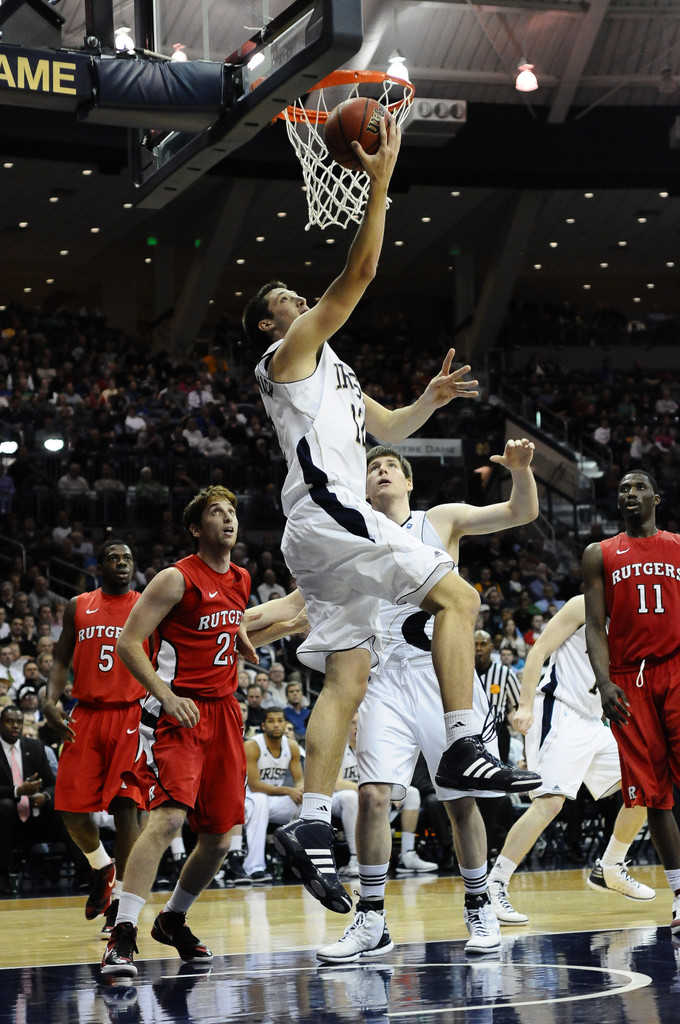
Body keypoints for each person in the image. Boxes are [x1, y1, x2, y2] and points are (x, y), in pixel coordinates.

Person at [242, 121, 539, 913]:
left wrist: (429, 402)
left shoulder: (332, 368)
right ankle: (467, 739)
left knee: (346, 671)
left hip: (317, 531)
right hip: (331, 516)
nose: (298, 302)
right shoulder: (286, 357)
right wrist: (383, 175)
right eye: (285, 303)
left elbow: (390, 428)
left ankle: (307, 822)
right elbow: (362, 270)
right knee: (461, 598)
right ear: (271, 328)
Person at [317, 439, 539, 963]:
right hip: (383, 677)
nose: (382, 471)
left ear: (409, 482)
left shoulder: (439, 520)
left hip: (442, 674)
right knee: (373, 797)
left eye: (391, 465)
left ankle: (480, 904)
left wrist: (523, 471)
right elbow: (307, 603)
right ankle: (371, 920)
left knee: (459, 799)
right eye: (373, 468)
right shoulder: (350, 535)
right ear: (363, 485)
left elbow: (520, 511)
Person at [100, 486, 306, 977]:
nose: (228, 518)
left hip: (224, 712)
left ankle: (172, 919)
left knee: (220, 837)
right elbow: (128, 642)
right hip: (177, 711)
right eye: (217, 512)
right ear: (197, 528)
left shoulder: (239, 579)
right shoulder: (175, 578)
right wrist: (167, 697)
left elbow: (228, 638)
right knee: (168, 820)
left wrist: (286, 627)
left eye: (233, 511)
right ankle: (123, 931)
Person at [487, 595, 654, 926]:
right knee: (549, 804)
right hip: (559, 709)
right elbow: (537, 651)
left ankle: (610, 867)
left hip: (595, 722)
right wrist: (524, 705)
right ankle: (493, 887)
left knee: (646, 784)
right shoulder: (583, 605)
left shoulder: (639, 621)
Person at [582, 469, 680, 938]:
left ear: (656, 498)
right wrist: (604, 683)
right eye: (623, 489)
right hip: (629, 681)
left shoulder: (678, 546)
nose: (631, 493)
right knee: (654, 794)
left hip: (676, 668)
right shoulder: (599, 554)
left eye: (640, 487)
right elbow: (594, 625)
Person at [42, 540, 148, 937]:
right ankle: (102, 866)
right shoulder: (78, 604)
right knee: (69, 808)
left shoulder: (146, 604)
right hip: (84, 713)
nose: (122, 563)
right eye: (114, 558)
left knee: (125, 809)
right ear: (99, 566)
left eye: (128, 558)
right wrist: (49, 699)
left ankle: (120, 903)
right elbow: (60, 658)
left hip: (129, 714)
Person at [0, 704, 63, 893]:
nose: (15, 726)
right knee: (4, 806)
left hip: (36, 817)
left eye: (19, 722)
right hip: (6, 822)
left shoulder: (35, 747)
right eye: (9, 721)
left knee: (59, 804)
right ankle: (3, 875)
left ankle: (86, 872)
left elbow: (53, 783)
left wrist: (44, 795)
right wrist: (18, 791)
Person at [242, 706, 304, 882]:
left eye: (280, 721)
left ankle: (301, 863)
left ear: (285, 724)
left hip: (272, 800)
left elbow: (298, 780)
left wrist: (299, 790)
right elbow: (255, 786)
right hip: (247, 800)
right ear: (263, 725)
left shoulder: (292, 746)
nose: (276, 725)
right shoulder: (252, 746)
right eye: (271, 721)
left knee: (305, 803)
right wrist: (288, 790)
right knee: (261, 800)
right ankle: (254, 867)